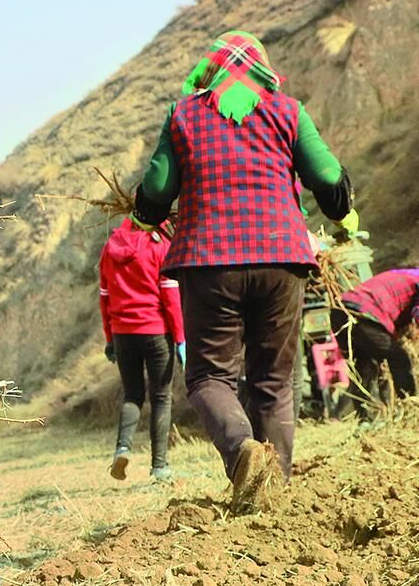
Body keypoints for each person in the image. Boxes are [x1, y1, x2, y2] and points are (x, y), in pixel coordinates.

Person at [133, 31, 352, 510]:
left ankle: (241, 451)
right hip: (281, 259)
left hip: (209, 263)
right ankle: (275, 493)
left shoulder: (184, 113)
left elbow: (155, 187)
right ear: (261, 71)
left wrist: (144, 217)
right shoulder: (286, 110)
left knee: (210, 378)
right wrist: (341, 213)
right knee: (273, 382)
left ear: (210, 70)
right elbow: (329, 178)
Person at [98, 218, 186, 482]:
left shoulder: (110, 248)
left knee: (132, 395)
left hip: (123, 333)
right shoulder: (161, 247)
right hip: (157, 331)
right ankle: (159, 467)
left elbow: (104, 297)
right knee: (161, 397)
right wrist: (181, 338)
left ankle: (122, 449)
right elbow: (170, 299)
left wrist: (110, 338)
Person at [334, 258, 419, 419]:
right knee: (399, 358)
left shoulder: (409, 276)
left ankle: (367, 419)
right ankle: (409, 406)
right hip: (365, 313)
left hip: (340, 310)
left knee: (365, 367)